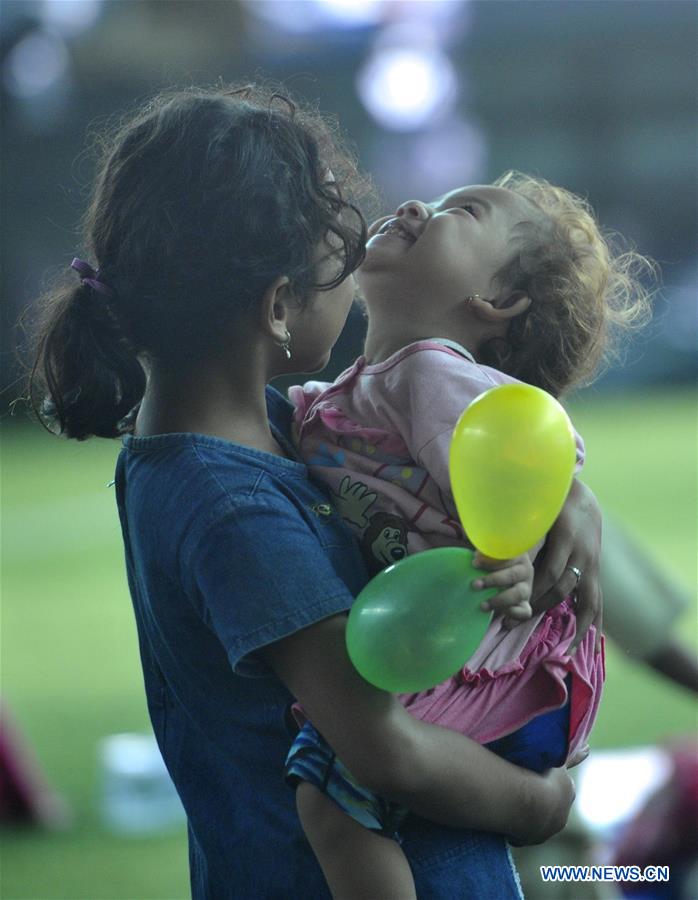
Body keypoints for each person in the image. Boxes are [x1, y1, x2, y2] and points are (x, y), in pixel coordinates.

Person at [25, 84, 603, 899]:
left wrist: (570, 498)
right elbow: (386, 751)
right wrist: (543, 805)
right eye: (340, 265)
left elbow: (474, 446)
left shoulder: (260, 432)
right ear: (278, 308)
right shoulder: (236, 511)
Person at [286, 173, 653, 898]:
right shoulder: (348, 392)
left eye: (465, 211)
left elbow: (522, 458)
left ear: (496, 302)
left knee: (333, 796)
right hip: (463, 651)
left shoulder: (430, 373)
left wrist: (515, 549)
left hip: (495, 653)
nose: (419, 205)